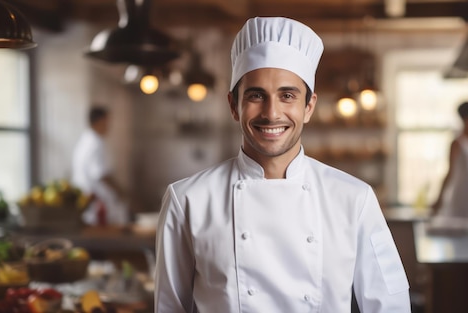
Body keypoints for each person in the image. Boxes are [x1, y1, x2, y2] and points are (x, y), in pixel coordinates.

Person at [155, 17, 410, 312]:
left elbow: (391, 307)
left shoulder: (354, 199)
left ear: (309, 107)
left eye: (287, 96)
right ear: (233, 106)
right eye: (255, 95)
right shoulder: (187, 200)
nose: (271, 113)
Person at [72, 106, 128, 226]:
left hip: (87, 202)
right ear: (101, 121)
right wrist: (121, 191)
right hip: (97, 204)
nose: (109, 126)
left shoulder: (84, 140)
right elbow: (101, 174)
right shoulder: (96, 143)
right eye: (108, 121)